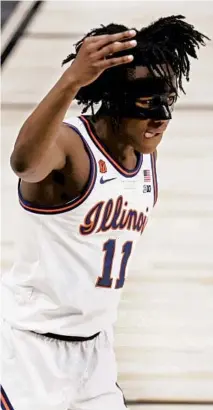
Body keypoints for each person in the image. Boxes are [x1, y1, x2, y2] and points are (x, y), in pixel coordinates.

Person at [1, 15, 209, 410]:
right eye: (148, 103)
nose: (161, 118)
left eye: (167, 100)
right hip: (27, 347)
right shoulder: (71, 147)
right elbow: (24, 163)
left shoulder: (141, 154)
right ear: (114, 100)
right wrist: (71, 80)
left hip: (94, 351)